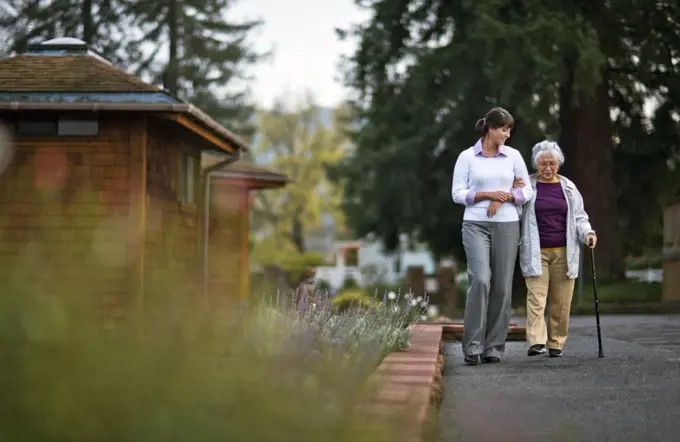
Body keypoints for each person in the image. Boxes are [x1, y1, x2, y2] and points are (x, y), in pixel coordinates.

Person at [451, 107, 533, 365]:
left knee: (501, 287)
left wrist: (507, 195)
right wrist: (487, 195)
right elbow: (457, 193)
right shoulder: (467, 157)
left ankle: (494, 347)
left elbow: (526, 191)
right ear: (490, 128)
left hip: (508, 224)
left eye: (509, 129)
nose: (507, 134)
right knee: (481, 280)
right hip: (475, 223)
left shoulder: (513, 156)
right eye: (503, 129)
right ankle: (472, 346)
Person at [516, 140, 597, 358]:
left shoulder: (569, 188)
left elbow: (580, 217)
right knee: (536, 298)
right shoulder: (528, 187)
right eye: (543, 164)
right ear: (536, 164)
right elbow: (518, 214)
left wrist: (588, 233)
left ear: (558, 164)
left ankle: (556, 343)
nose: (548, 168)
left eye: (552, 163)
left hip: (564, 251)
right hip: (536, 251)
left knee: (561, 302)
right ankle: (536, 341)